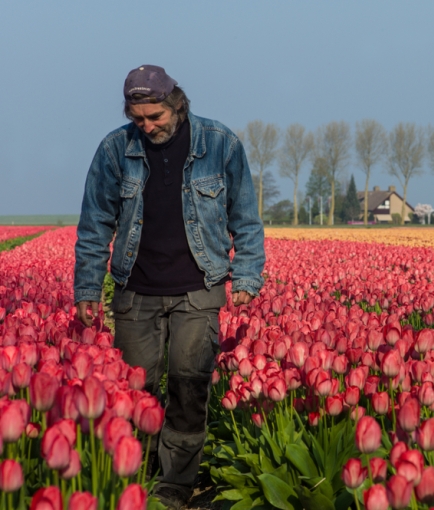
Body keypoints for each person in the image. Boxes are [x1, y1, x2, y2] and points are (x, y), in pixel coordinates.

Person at [74, 65, 265, 509]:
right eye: (139, 119)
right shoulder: (114, 150)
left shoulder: (220, 144)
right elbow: (94, 224)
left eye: (155, 116)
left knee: (189, 386)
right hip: (135, 290)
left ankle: (175, 488)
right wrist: (87, 289)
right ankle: (136, 474)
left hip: (199, 288)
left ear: (177, 103)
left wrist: (248, 275)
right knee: (136, 392)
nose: (148, 126)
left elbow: (246, 219)